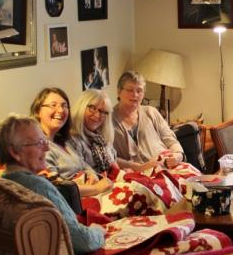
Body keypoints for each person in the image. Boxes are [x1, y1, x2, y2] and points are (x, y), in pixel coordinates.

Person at [0, 114, 105, 255]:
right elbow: (81, 241)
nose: (46, 148)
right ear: (15, 152)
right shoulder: (38, 187)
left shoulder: (1, 186)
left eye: (45, 141)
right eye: (39, 143)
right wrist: (98, 231)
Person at [69, 89, 183, 218]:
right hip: (99, 187)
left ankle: (176, 216)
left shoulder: (100, 136)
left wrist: (140, 167)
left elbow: (114, 160)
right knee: (142, 191)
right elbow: (82, 170)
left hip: (113, 179)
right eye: (92, 108)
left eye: (103, 112)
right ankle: (166, 221)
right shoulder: (73, 139)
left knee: (160, 179)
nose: (97, 115)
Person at [30, 87, 113, 197]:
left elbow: (84, 165)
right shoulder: (40, 148)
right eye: (53, 105)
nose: (60, 110)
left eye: (64, 106)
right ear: (37, 110)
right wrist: (96, 188)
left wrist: (92, 174)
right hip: (75, 203)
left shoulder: (66, 141)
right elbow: (56, 188)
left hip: (92, 193)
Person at [112, 70, 185, 171]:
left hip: (166, 167)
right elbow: (108, 156)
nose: (135, 95)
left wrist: (178, 155)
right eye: (130, 90)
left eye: (139, 90)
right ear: (119, 91)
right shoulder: (108, 120)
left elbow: (170, 140)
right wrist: (138, 167)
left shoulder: (151, 112)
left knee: (199, 183)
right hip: (135, 175)